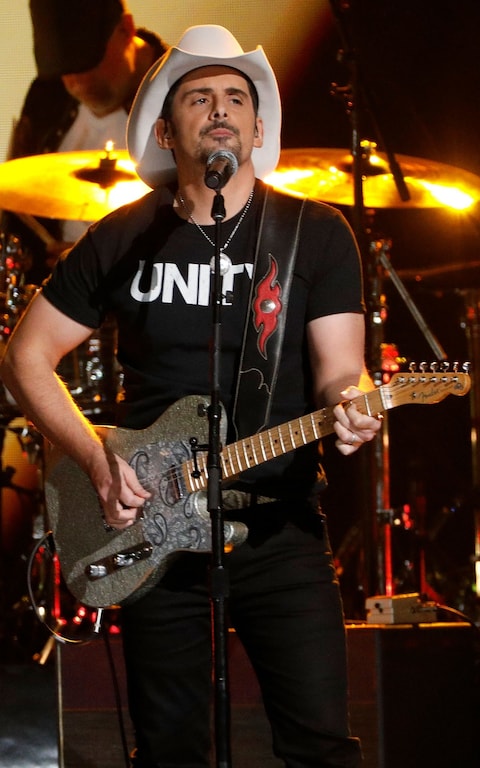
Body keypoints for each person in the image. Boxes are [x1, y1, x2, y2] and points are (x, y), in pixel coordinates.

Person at [0, 24, 382, 768]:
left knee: (321, 744)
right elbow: (24, 358)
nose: (219, 110)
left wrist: (355, 401)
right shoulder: (123, 238)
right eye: (199, 97)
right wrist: (95, 456)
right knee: (171, 748)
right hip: (155, 532)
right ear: (167, 132)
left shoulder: (316, 235)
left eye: (236, 97)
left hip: (279, 526)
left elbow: (343, 370)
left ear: (258, 125)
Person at [4, 0, 168, 282]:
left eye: (88, 63)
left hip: (139, 302)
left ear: (126, 29)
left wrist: (106, 261)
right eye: (64, 70)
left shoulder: (187, 98)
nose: (77, 81)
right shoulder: (48, 94)